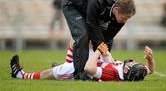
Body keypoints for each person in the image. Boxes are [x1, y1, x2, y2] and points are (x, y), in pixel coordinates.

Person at [62, 0, 136, 80]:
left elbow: (107, 37)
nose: (124, 21)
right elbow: (92, 25)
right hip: (72, 5)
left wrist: (103, 50)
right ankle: (80, 75)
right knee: (83, 36)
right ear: (116, 10)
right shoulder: (98, 1)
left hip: (87, 10)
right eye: (123, 18)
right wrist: (99, 46)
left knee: (106, 41)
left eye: (127, 19)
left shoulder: (121, 16)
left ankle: (100, 72)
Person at [10, 43, 155, 81]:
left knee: (49, 73)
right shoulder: (136, 74)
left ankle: (20, 75)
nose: (133, 62)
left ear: (126, 71)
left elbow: (88, 69)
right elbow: (151, 70)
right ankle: (65, 65)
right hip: (98, 61)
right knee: (78, 42)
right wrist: (150, 59)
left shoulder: (111, 73)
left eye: (133, 64)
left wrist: (99, 51)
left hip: (84, 68)